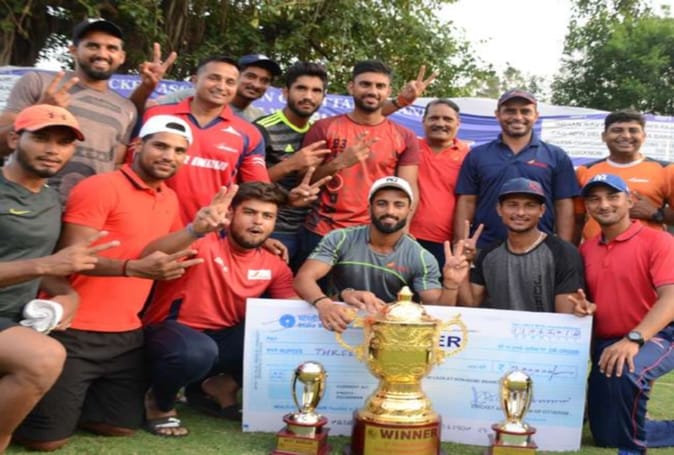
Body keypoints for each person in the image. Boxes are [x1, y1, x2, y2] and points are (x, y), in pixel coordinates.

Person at [14, 115, 206, 450]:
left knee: (117, 428)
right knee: (45, 441)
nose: (169, 156)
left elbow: (151, 252)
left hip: (126, 335)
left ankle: (75, 400)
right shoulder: (100, 187)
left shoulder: (169, 197)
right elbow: (71, 257)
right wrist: (131, 268)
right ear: (138, 146)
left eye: (179, 151)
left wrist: (195, 231)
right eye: (160, 146)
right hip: (74, 331)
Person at [0, 104, 119, 452]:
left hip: (15, 319)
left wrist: (69, 296)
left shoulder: (50, 199)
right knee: (43, 357)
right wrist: (46, 265)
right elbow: (43, 264)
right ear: (14, 139)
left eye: (64, 142)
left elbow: (44, 267)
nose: (53, 149)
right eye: (41, 138)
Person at [140, 182, 297, 433]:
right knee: (197, 350)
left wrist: (330, 306)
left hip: (220, 345)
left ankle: (220, 385)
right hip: (170, 336)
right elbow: (148, 255)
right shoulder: (202, 242)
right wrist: (194, 230)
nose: (258, 221)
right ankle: (158, 403)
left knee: (286, 329)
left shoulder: (274, 264)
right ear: (231, 214)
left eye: (267, 216)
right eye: (249, 212)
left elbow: (293, 310)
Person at [571, 173, 674, 455]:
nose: (604, 204)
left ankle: (632, 447)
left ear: (630, 200)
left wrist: (634, 339)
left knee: (628, 369)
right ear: (587, 207)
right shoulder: (586, 249)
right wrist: (585, 307)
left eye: (612, 196)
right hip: (608, 342)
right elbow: (589, 301)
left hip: (658, 335)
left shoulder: (659, 241)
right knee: (606, 435)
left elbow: (671, 297)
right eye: (594, 199)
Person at [293, 176, 469, 333]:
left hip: (391, 335)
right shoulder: (340, 238)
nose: (390, 211)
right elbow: (303, 278)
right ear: (369, 208)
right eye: (382, 203)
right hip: (340, 326)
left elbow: (437, 309)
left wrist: (451, 284)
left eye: (399, 205)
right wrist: (325, 305)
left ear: (410, 211)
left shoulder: (421, 257)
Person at [0, 19, 144, 203]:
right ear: (73, 50)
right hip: (28, 204)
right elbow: (2, 144)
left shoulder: (127, 108)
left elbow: (114, 165)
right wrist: (39, 112)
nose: (102, 54)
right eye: (92, 46)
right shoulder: (38, 82)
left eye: (111, 48)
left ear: (121, 57)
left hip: (88, 208)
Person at [299, 60, 421, 261]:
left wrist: (403, 228)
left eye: (380, 86)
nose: (372, 91)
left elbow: (409, 189)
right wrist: (339, 163)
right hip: (322, 232)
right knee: (309, 282)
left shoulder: (404, 136)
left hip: (373, 235)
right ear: (351, 87)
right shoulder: (324, 127)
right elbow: (303, 181)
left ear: (388, 91)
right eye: (365, 84)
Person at [142, 55, 271, 224]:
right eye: (214, 78)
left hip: (208, 229)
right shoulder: (157, 115)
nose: (221, 87)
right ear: (195, 80)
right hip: (148, 222)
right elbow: (129, 167)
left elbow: (258, 191)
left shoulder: (249, 133)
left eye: (230, 82)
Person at [454, 89, 579, 250]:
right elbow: (467, 201)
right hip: (485, 248)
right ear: (497, 115)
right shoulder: (477, 155)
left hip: (540, 249)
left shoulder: (556, 156)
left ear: (536, 116)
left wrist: (564, 249)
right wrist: (460, 244)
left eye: (525, 111)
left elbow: (563, 204)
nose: (518, 117)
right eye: (510, 111)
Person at [457, 177, 584, 313]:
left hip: (545, 327)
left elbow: (566, 317)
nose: (520, 213)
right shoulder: (489, 255)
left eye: (530, 205)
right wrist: (463, 264)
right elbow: (470, 305)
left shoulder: (563, 253)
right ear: (499, 209)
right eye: (512, 205)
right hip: (500, 327)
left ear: (542, 210)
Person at [254, 62, 331, 266]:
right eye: (301, 88)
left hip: (311, 230)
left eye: (316, 91)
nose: (308, 96)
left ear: (323, 96)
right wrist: (291, 164)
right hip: (273, 231)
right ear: (285, 92)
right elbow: (247, 184)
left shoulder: (320, 131)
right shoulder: (262, 129)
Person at [575, 109, 674, 242]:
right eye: (617, 130)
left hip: (648, 250)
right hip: (596, 249)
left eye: (633, 130)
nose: (626, 136)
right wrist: (571, 251)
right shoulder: (585, 171)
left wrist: (656, 213)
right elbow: (577, 219)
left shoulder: (667, 170)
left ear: (644, 136)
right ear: (604, 136)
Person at [409, 99, 470, 268]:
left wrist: (460, 241)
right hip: (406, 237)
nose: (440, 124)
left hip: (446, 245)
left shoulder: (469, 156)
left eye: (447, 119)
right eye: (434, 118)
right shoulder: (409, 148)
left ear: (458, 124)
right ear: (423, 121)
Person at [155, 54, 282, 121]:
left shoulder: (258, 118)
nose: (256, 84)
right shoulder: (191, 96)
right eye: (250, 76)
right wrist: (147, 88)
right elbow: (150, 109)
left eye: (264, 80)